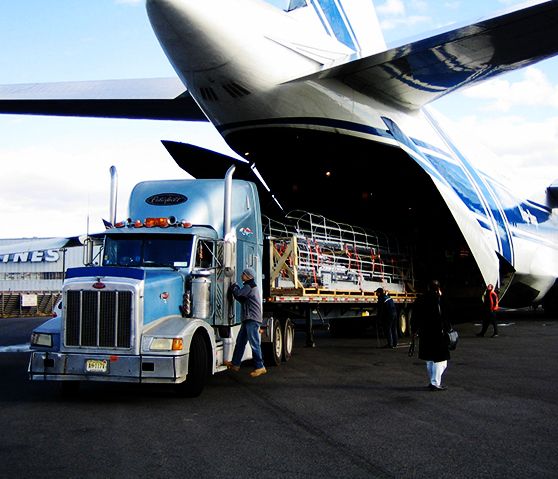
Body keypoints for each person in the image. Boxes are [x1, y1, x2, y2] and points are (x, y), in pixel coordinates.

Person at [224, 267, 267, 377]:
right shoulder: (250, 286)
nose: (241, 275)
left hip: (252, 319)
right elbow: (242, 299)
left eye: (243, 274)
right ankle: (235, 364)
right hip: (248, 318)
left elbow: (239, 294)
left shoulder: (249, 286)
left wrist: (234, 286)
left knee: (254, 344)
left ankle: (260, 367)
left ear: (248, 276)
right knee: (240, 342)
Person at [412, 280, 452, 391]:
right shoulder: (439, 299)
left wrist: (414, 330)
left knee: (429, 359)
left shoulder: (420, 299)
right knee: (441, 360)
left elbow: (414, 316)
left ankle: (432, 381)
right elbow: (447, 313)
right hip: (438, 333)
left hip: (425, 333)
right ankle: (435, 382)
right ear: (438, 288)